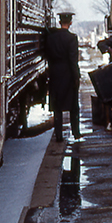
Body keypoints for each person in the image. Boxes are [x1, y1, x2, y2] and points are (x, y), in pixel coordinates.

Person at [45, 12, 81, 141]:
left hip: (55, 73)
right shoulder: (72, 38)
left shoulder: (51, 38)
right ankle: (76, 133)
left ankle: (59, 135)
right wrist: (76, 76)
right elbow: (73, 60)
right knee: (73, 106)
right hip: (68, 74)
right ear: (70, 23)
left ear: (60, 22)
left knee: (57, 108)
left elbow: (48, 56)